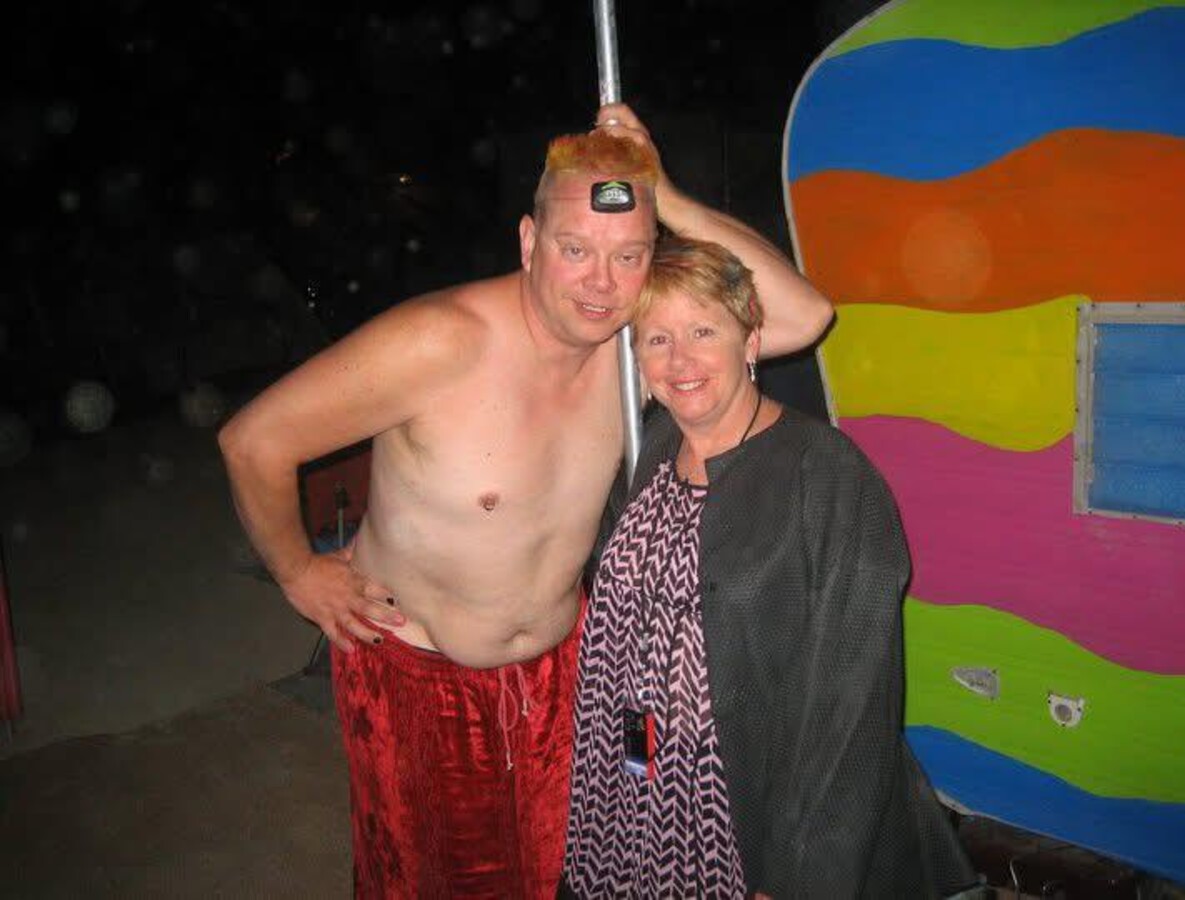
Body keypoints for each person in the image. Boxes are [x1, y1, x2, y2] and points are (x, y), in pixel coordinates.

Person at [217, 104, 832, 899]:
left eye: (629, 255)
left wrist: (665, 194)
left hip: (563, 678)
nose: (602, 283)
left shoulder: (632, 352)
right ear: (529, 242)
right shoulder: (440, 341)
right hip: (422, 682)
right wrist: (298, 570)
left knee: (561, 878)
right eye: (576, 249)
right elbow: (254, 441)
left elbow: (802, 315)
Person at [561, 236, 978, 898]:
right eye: (657, 338)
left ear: (751, 340)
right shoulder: (649, 451)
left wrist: (797, 874)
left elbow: (849, 710)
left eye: (704, 330)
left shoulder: (829, 477)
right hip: (633, 792)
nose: (681, 360)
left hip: (747, 816)